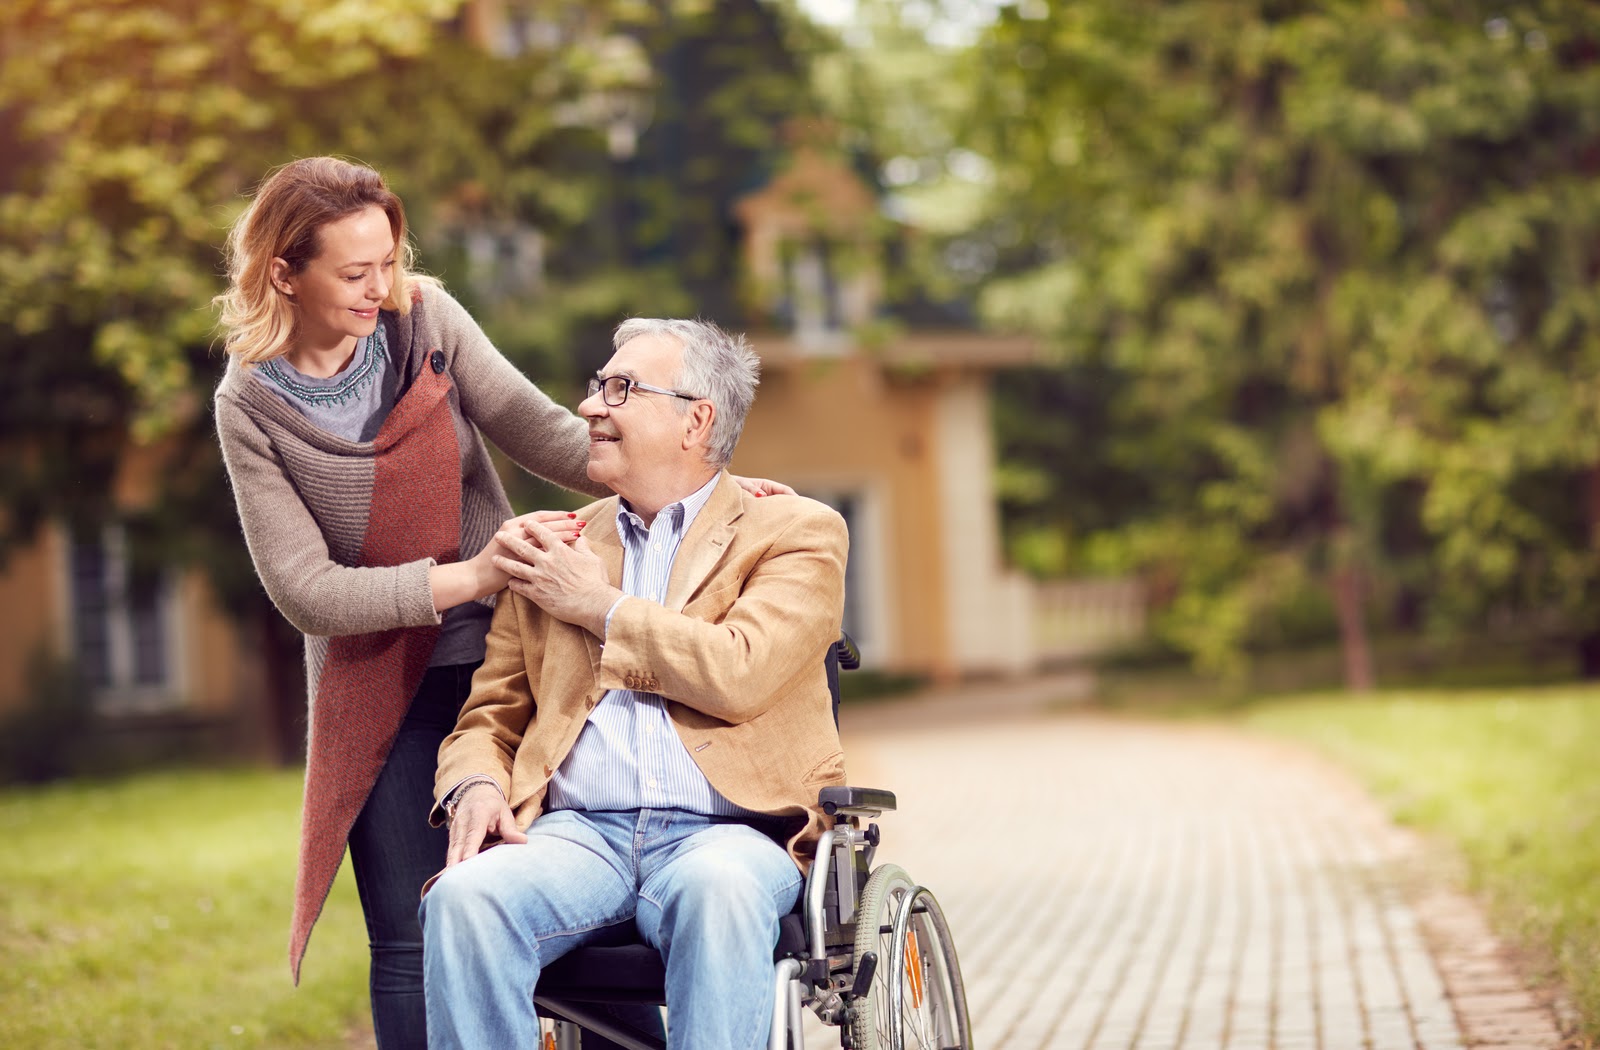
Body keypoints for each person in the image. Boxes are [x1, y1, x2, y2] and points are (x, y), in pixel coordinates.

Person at [211, 157, 789, 1049]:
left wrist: (713, 483)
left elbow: (548, 432)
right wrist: (476, 575)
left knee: (589, 891)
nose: (381, 288)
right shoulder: (250, 404)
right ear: (285, 273)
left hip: (511, 650)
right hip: (381, 680)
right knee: (411, 932)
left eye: (389, 262)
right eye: (354, 273)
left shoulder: (424, 322)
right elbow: (307, 592)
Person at [419, 317, 850, 1050]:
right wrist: (475, 786)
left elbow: (739, 671)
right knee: (464, 897)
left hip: (729, 834)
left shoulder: (796, 532)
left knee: (719, 893)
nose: (590, 406)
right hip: (577, 835)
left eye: (620, 388)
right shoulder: (555, 543)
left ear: (696, 420)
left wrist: (599, 607)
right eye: (597, 387)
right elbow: (489, 717)